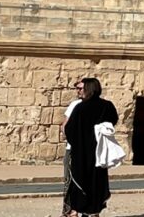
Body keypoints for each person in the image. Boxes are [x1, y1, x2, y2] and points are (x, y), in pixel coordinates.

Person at [64, 78, 119, 217]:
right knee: (97, 181)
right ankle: (94, 211)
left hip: (82, 152)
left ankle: (80, 209)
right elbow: (113, 121)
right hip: (100, 151)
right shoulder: (107, 106)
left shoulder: (80, 108)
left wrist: (78, 143)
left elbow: (69, 129)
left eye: (82, 89)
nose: (79, 91)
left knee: (80, 179)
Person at [61, 81, 84, 217]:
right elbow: (65, 125)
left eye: (80, 88)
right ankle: (70, 211)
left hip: (90, 151)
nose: (78, 91)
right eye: (77, 88)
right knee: (69, 181)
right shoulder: (75, 105)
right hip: (74, 149)